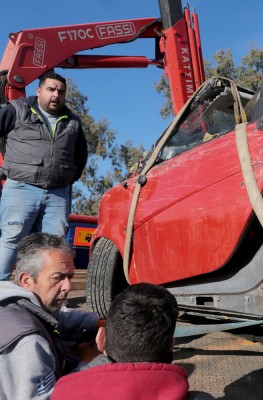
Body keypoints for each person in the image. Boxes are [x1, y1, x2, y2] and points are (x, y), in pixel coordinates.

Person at [0, 70, 88, 281]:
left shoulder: (73, 122)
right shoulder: (17, 110)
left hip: (57, 194)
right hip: (21, 188)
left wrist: (67, 178)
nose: (56, 95)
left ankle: (44, 297)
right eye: (50, 89)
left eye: (61, 91)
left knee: (52, 246)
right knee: (11, 239)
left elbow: (81, 155)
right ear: (39, 91)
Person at [0, 233, 101, 399]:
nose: (68, 286)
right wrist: (89, 363)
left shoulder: (14, 301)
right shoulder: (27, 343)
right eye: (58, 278)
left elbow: (56, 317)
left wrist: (99, 323)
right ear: (26, 280)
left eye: (70, 277)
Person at [52, 283, 189, 400]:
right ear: (171, 344)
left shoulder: (62, 392)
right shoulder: (193, 396)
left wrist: (83, 366)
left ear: (101, 340)